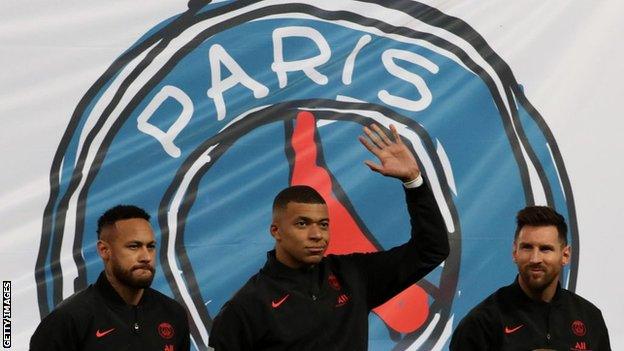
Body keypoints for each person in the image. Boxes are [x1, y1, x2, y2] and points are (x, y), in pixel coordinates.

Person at [208, 124, 450, 350]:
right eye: (302, 224)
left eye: (323, 224)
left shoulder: (354, 275)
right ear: (276, 231)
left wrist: (414, 182)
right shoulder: (247, 306)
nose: (316, 235)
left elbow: (431, 250)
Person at [450, 206, 611, 351]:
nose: (535, 258)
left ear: (565, 255)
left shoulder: (590, 317)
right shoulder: (482, 322)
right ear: (515, 252)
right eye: (527, 247)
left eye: (545, 249)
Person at [30, 205, 190, 351]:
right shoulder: (69, 319)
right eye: (134, 246)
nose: (146, 256)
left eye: (151, 246)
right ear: (104, 250)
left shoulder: (173, 314)